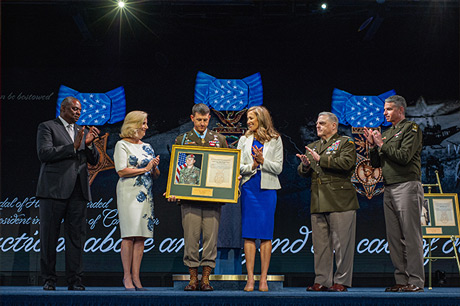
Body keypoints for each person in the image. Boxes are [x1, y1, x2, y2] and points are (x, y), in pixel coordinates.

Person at [36, 96, 100, 291]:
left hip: (78, 191)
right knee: (49, 238)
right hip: (53, 190)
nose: (78, 112)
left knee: (76, 239)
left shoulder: (82, 131)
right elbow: (44, 153)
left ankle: (75, 280)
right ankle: (49, 280)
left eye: (79, 110)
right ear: (63, 109)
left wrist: (88, 144)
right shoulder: (47, 127)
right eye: (74, 109)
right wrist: (73, 146)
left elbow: (95, 161)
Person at [364, 95, 425, 292]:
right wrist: (373, 146)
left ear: (400, 110)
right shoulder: (389, 133)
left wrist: (382, 144)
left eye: (389, 109)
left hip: (407, 185)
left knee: (410, 235)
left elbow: (404, 157)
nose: (384, 113)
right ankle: (401, 280)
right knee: (394, 237)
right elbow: (375, 164)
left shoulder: (411, 129)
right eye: (384, 109)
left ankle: (415, 281)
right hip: (389, 187)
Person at [167, 103, 228, 291]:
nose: (202, 123)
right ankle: (193, 279)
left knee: (211, 239)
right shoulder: (183, 139)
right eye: (199, 120)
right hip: (189, 199)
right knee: (191, 238)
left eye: (205, 119)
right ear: (192, 118)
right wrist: (172, 190)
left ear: (209, 118)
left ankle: (206, 279)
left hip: (212, 199)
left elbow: (227, 165)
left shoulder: (219, 139)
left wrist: (232, 180)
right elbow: (174, 170)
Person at [296, 111, 359, 292]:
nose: (318, 126)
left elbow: (347, 163)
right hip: (318, 200)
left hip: (340, 200)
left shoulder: (346, 143)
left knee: (342, 245)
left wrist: (320, 159)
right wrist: (306, 165)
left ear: (334, 126)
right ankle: (322, 279)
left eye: (322, 123)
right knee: (321, 245)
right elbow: (303, 171)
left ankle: (342, 280)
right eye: (317, 123)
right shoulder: (313, 145)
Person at [237, 106, 283, 292]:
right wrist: (253, 165)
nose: (248, 122)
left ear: (261, 119)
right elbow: (239, 166)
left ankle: (263, 279)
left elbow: (278, 168)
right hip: (249, 188)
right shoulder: (244, 139)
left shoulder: (275, 139)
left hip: (267, 190)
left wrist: (263, 161)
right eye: (247, 118)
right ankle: (250, 279)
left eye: (251, 118)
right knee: (248, 234)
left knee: (265, 234)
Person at [114, 111, 160, 291]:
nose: (146, 127)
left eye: (146, 123)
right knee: (128, 235)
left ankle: (136, 277)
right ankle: (126, 276)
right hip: (128, 193)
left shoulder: (147, 146)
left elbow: (154, 174)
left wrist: (154, 168)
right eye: (143, 123)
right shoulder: (121, 145)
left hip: (145, 194)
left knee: (141, 236)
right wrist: (145, 168)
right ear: (133, 125)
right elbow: (121, 171)